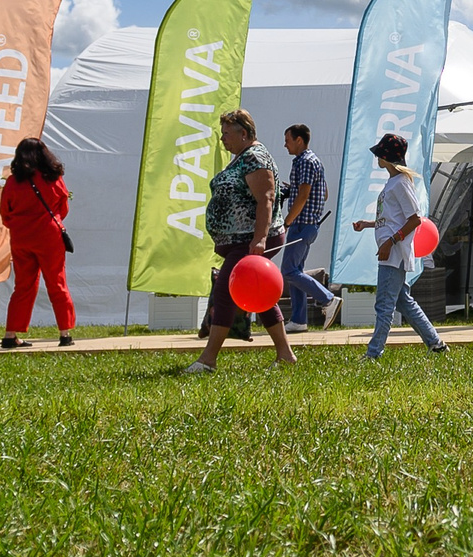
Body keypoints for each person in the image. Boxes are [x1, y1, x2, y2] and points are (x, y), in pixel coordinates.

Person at [184, 110, 294, 373]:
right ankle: (285, 355)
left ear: (243, 133)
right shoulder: (242, 158)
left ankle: (208, 360)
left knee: (225, 290)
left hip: (250, 240)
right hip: (240, 240)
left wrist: (259, 240)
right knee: (259, 295)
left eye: (226, 134)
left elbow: (266, 198)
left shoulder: (255, 157)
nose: (222, 139)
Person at [345, 133, 446, 359]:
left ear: (387, 157)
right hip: (392, 252)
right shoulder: (394, 182)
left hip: (393, 254)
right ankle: (435, 343)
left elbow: (415, 219)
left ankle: (373, 353)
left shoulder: (400, 183)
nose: (377, 157)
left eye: (380, 153)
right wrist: (368, 224)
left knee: (384, 305)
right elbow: (392, 219)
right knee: (403, 301)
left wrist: (390, 242)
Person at [0, 136, 76, 348]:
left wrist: (20, 224)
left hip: (21, 238)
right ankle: (65, 333)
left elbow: (5, 213)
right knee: (57, 283)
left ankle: (10, 334)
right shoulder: (53, 177)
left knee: (23, 286)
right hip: (49, 236)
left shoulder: (13, 182)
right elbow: (63, 207)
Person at [277, 124, 340, 333]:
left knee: (288, 270)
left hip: (301, 224)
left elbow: (304, 195)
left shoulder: (304, 161)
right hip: (309, 224)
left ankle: (328, 299)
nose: (285, 145)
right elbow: (324, 194)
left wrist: (287, 221)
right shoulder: (314, 161)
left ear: (299, 140)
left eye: (287, 140)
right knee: (296, 271)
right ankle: (298, 320)